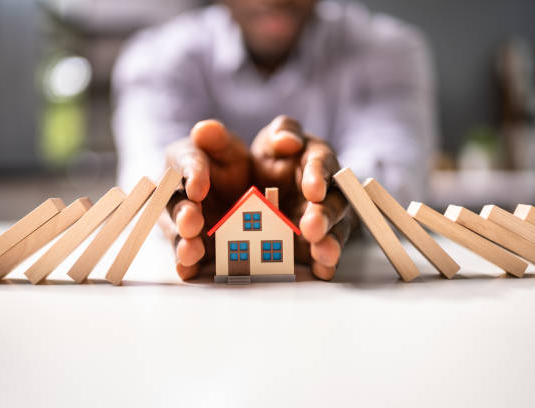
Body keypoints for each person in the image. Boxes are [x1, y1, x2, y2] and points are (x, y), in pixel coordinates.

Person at [112, 0, 436, 281]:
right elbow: (144, 177)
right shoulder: (157, 56)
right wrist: (181, 198)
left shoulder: (388, 48)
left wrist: (335, 201)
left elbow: (397, 177)